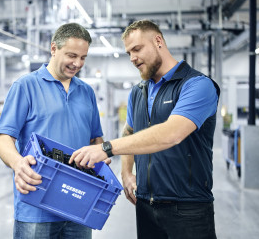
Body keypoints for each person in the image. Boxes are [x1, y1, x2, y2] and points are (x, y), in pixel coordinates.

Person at [70, 19, 220, 239]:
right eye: (129, 52)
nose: (132, 58)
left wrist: (107, 148)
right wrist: (126, 172)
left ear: (158, 41)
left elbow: (172, 133)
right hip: (146, 206)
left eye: (137, 49)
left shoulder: (197, 85)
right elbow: (130, 131)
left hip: (189, 208)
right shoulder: (138, 92)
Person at [0, 23, 104, 239]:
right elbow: (4, 138)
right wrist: (18, 163)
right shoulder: (25, 86)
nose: (77, 63)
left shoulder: (86, 92)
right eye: (72, 55)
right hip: (36, 204)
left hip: (79, 203)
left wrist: (101, 154)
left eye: (83, 57)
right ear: (54, 49)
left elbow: (95, 139)